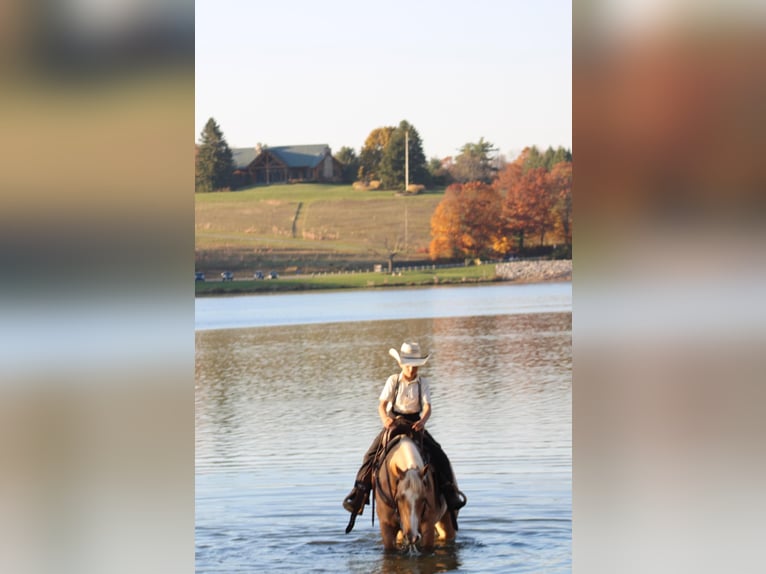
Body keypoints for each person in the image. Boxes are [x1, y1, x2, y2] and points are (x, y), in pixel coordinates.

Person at [342, 341, 466, 519]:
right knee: (370, 456)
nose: (412, 369)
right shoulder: (393, 381)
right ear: (402, 364)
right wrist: (385, 419)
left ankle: (449, 492)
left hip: (415, 423)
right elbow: (382, 405)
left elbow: (427, 407)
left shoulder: (423, 382)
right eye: (409, 365)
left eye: (415, 366)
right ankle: (359, 494)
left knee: (439, 454)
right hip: (394, 422)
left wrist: (423, 421)